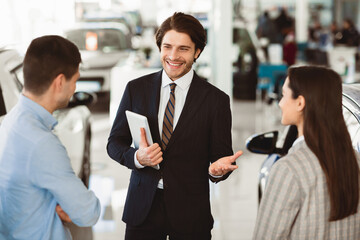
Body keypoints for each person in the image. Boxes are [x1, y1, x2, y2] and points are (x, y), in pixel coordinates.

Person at [107, 12, 242, 239]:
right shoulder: (136, 89)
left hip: (191, 212)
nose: (173, 56)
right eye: (167, 47)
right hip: (143, 209)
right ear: (159, 47)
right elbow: (114, 143)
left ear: (197, 52)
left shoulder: (216, 101)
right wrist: (138, 158)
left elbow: (220, 158)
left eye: (183, 49)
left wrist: (217, 172)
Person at [0, 35, 100, 239]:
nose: (74, 89)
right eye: (75, 81)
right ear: (60, 82)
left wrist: (51, 202)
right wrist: (66, 205)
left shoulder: (11, 121)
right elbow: (88, 212)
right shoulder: (41, 143)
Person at [253, 66, 360, 239]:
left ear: (300, 103)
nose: (280, 103)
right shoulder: (355, 162)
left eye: (283, 96)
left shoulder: (288, 169)